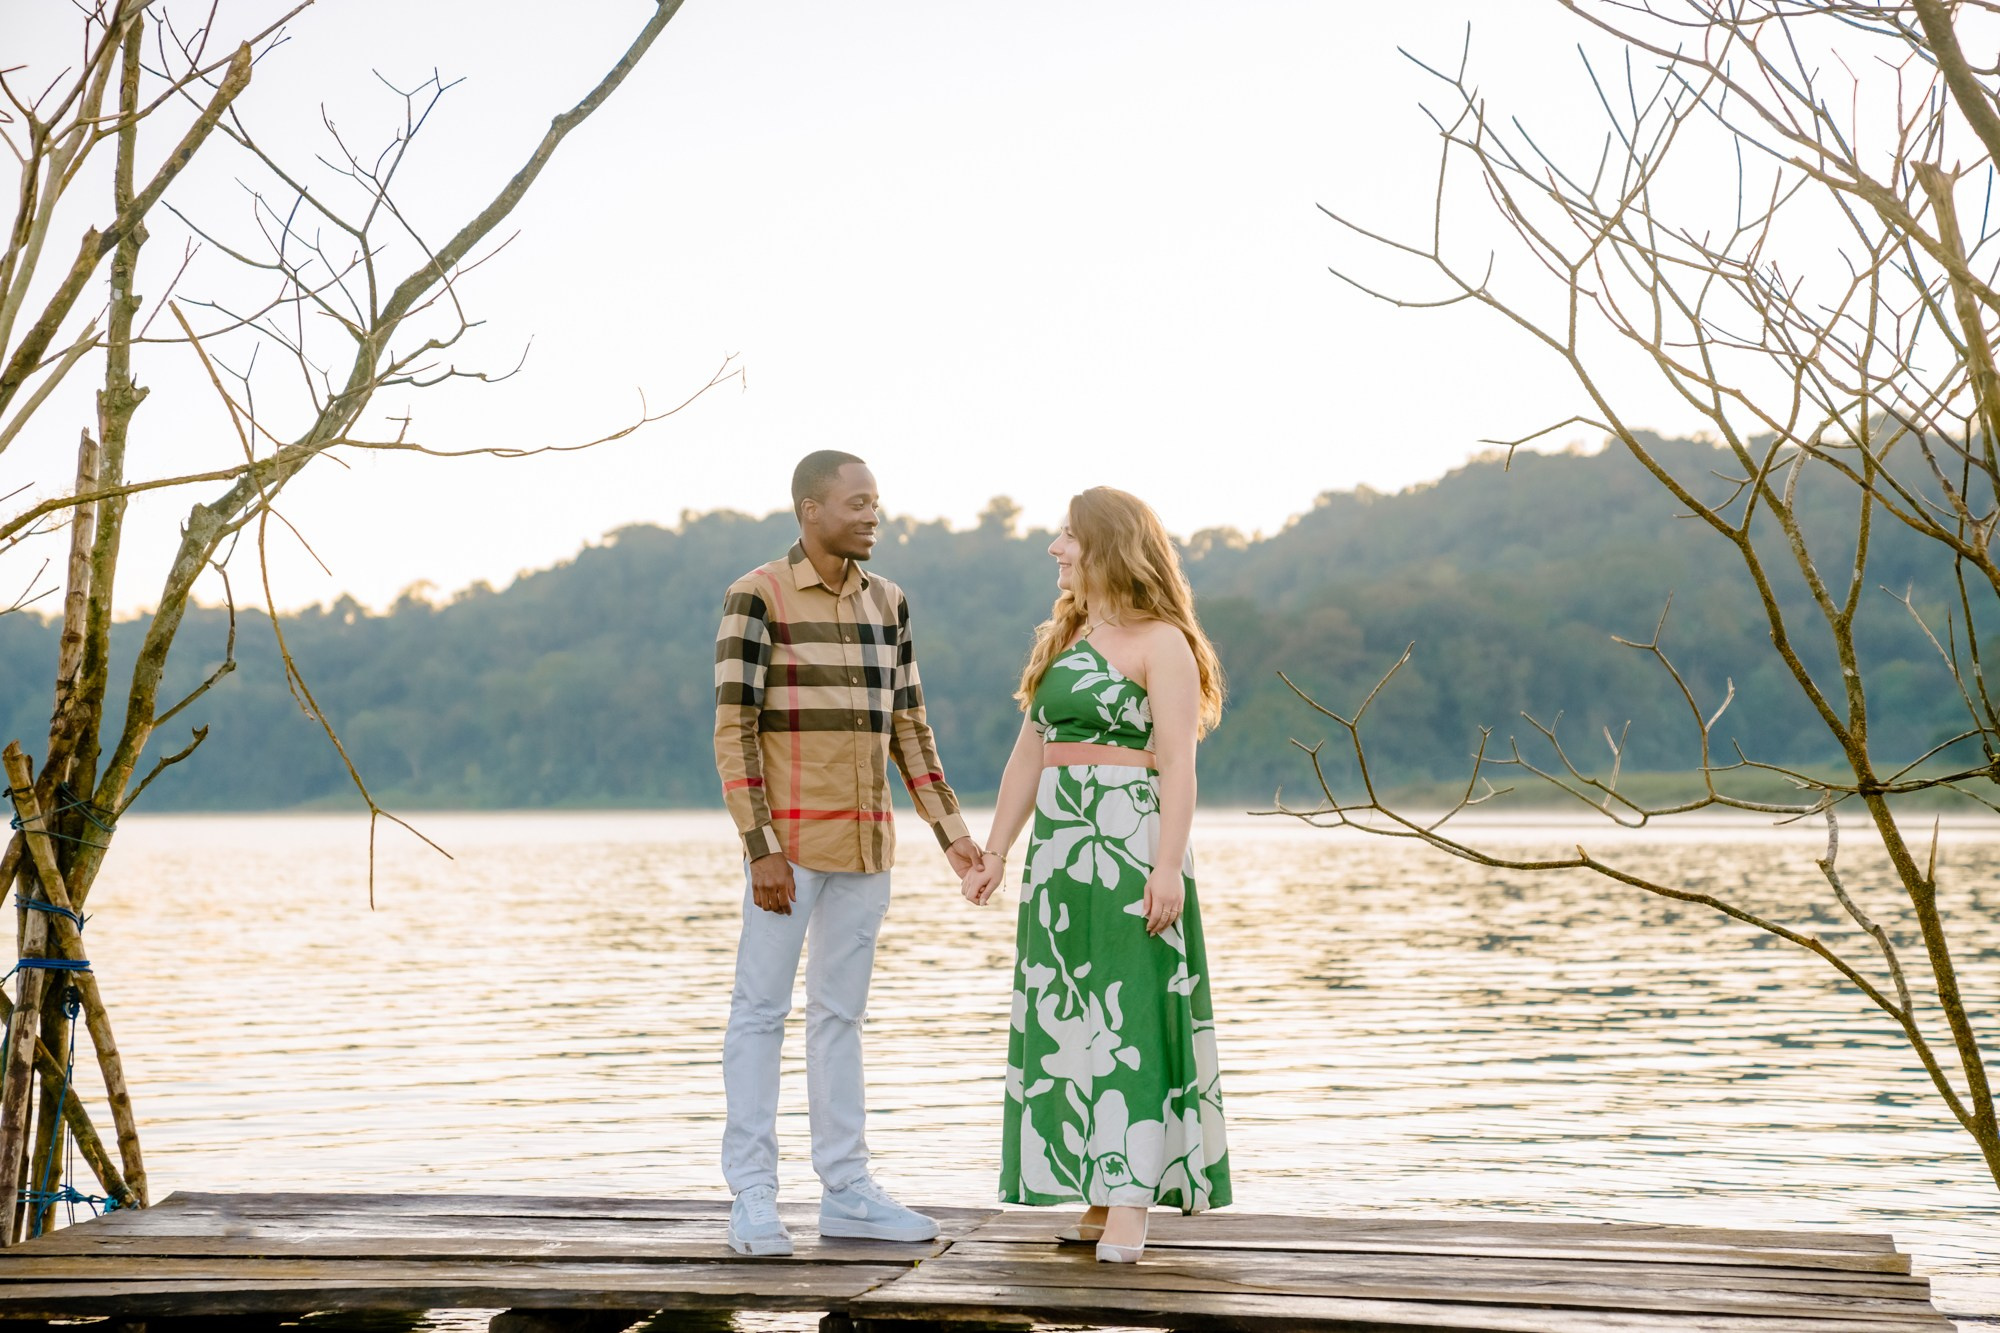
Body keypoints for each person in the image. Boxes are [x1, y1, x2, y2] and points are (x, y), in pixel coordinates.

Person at [713, 450, 983, 1257]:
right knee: (760, 1015)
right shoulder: (755, 595)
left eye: (876, 502)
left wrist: (954, 835)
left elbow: (910, 726)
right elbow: (733, 730)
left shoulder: (890, 601)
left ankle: (848, 1193)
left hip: (869, 846)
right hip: (788, 850)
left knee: (841, 1019)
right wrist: (760, 847)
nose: (873, 515)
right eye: (857, 502)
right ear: (810, 510)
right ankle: (753, 1198)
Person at [959, 486, 1231, 1265]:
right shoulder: (1066, 634)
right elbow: (1028, 753)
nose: (1055, 547)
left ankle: (1134, 1202)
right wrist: (998, 851)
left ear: (1107, 544)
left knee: (1131, 1019)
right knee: (1071, 1019)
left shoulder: (1163, 641)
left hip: (1128, 846)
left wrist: (1167, 865)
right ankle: (1099, 1190)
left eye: (1068, 536)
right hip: (1060, 856)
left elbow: (1178, 763)